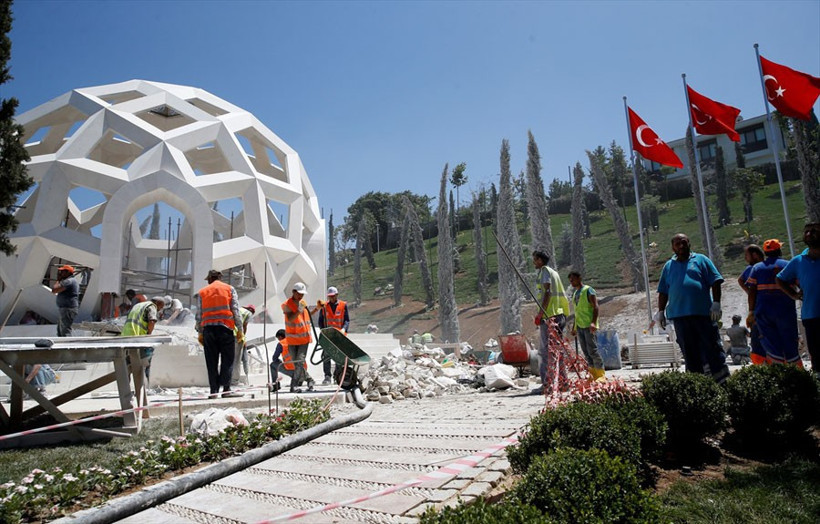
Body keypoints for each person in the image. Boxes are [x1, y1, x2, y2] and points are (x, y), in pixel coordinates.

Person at [657, 233, 729, 383]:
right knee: (689, 353)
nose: (681, 246)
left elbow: (715, 281)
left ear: (689, 243)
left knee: (713, 349)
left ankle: (722, 382)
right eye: (677, 244)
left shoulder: (701, 260)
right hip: (680, 317)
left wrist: (716, 303)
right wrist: (661, 311)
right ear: (673, 247)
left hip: (703, 315)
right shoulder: (668, 266)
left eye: (684, 242)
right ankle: (696, 384)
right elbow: (663, 291)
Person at [746, 239, 801, 367]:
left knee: (771, 342)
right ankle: (796, 373)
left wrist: (751, 312)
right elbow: (800, 285)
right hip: (786, 312)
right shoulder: (788, 265)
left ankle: (777, 371)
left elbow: (752, 291)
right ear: (779, 250)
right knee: (789, 342)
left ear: (765, 252)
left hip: (764, 313)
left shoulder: (757, 268)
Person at [777, 223, 820, 377]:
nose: (809, 234)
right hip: (811, 315)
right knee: (816, 354)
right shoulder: (798, 261)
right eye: (806, 231)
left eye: (814, 231)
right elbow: (780, 279)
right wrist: (794, 295)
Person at [196, 270, 244, 398]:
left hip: (208, 330)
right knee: (227, 360)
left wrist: (200, 332)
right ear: (220, 277)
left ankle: (213, 391)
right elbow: (235, 310)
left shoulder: (203, 292)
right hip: (225, 329)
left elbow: (199, 315)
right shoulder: (229, 289)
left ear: (209, 279)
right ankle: (226, 390)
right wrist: (240, 329)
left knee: (211, 361)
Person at [532, 250, 570, 394]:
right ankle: (563, 383)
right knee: (557, 351)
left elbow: (547, 292)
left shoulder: (545, 272)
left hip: (550, 316)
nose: (533, 262)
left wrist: (541, 313)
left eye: (535, 259)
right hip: (559, 314)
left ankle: (547, 384)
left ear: (540, 260)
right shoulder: (554, 272)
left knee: (545, 352)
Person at [281, 282, 319, 393]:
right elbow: (291, 318)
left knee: (299, 362)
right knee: (296, 363)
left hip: (304, 339)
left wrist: (317, 309)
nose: (301, 296)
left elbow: (306, 315)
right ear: (293, 292)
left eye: (302, 294)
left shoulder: (302, 304)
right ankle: (309, 379)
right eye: (299, 294)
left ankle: (294, 386)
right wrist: (299, 309)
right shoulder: (286, 304)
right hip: (292, 339)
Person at [568, 271, 605, 381]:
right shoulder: (575, 294)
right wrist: (574, 327)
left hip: (588, 325)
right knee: (586, 351)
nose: (572, 282)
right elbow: (577, 312)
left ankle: (600, 374)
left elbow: (596, 307)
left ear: (579, 278)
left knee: (592, 350)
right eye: (570, 281)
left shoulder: (588, 290)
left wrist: (593, 322)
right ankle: (592, 374)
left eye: (573, 279)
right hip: (580, 326)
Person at [120, 296, 166, 385]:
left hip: (126, 336)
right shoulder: (152, 306)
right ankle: (145, 385)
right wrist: (149, 334)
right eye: (161, 307)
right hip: (137, 337)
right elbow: (152, 321)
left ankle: (126, 388)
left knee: (127, 364)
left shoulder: (138, 305)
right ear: (158, 303)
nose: (160, 309)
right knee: (146, 360)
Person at [738, 244, 767, 364]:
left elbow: (740, 280)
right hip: (769, 310)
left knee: (758, 342)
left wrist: (750, 293)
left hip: (758, 312)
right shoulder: (766, 267)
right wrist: (750, 292)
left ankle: (761, 367)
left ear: (754, 255)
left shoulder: (754, 269)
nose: (745, 258)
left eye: (747, 255)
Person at [317, 286, 349, 385]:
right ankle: (327, 376)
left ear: (336, 295)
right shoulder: (324, 306)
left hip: (340, 335)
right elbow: (320, 321)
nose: (331, 298)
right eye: (329, 296)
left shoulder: (343, 305)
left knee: (339, 357)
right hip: (328, 336)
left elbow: (347, 320)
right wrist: (323, 331)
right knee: (326, 356)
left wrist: (344, 329)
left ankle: (337, 375)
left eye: (332, 296)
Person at [51, 265, 79, 337]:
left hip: (67, 309)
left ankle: (68, 346)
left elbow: (54, 290)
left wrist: (58, 280)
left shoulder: (68, 281)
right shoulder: (71, 281)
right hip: (65, 309)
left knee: (65, 331)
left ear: (68, 272)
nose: (60, 273)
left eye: (62, 271)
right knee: (61, 331)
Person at [231, 304, 255, 385]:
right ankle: (235, 381)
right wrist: (243, 338)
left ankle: (227, 379)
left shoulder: (238, 309)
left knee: (229, 358)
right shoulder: (248, 313)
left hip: (227, 334)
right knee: (237, 359)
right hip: (237, 335)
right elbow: (244, 326)